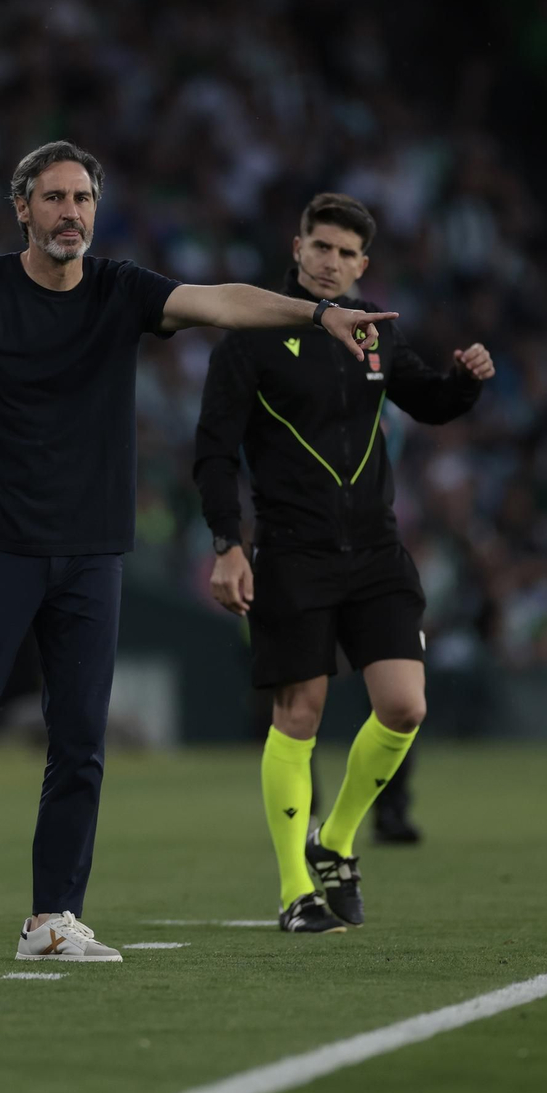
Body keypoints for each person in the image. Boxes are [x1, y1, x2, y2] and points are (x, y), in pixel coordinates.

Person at [0, 143, 394, 965]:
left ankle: (53, 919)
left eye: (84, 199)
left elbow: (221, 303)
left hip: (91, 552)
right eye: (56, 198)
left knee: (80, 742)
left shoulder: (120, 288)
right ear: (23, 209)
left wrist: (319, 314)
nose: (72, 212)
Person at [193, 193, 494, 934]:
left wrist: (466, 381)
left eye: (345, 253)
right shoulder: (249, 336)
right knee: (299, 715)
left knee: (405, 706)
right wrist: (228, 544)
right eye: (319, 247)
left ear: (364, 265)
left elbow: (428, 402)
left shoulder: (374, 335)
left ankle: (336, 839)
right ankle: (297, 889)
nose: (330, 262)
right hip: (293, 555)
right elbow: (211, 451)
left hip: (377, 551)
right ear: (296, 250)